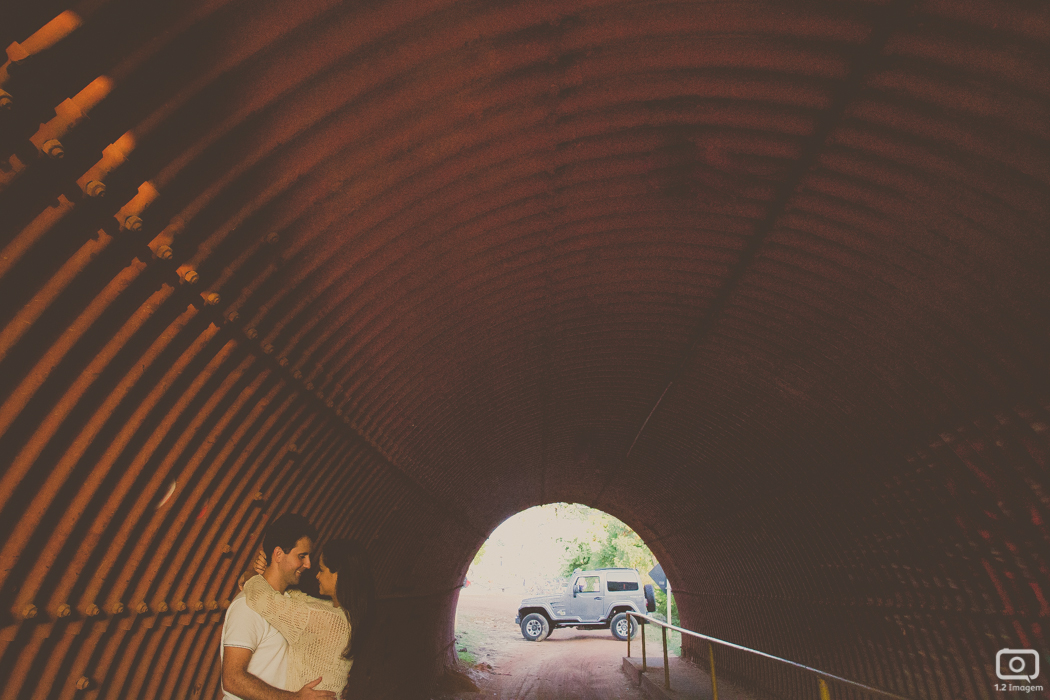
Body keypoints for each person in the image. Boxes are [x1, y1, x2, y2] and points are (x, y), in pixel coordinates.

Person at [241, 539, 376, 699]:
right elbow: (298, 598)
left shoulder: (323, 618)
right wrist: (268, 572)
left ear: (338, 574)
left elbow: (260, 598)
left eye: (322, 569)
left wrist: (250, 575)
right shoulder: (347, 615)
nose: (317, 575)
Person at [221, 513, 334, 700]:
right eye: (302, 556)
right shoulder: (246, 606)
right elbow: (232, 679)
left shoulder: (287, 603)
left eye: (308, 556)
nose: (308, 564)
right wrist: (294, 698)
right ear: (279, 554)